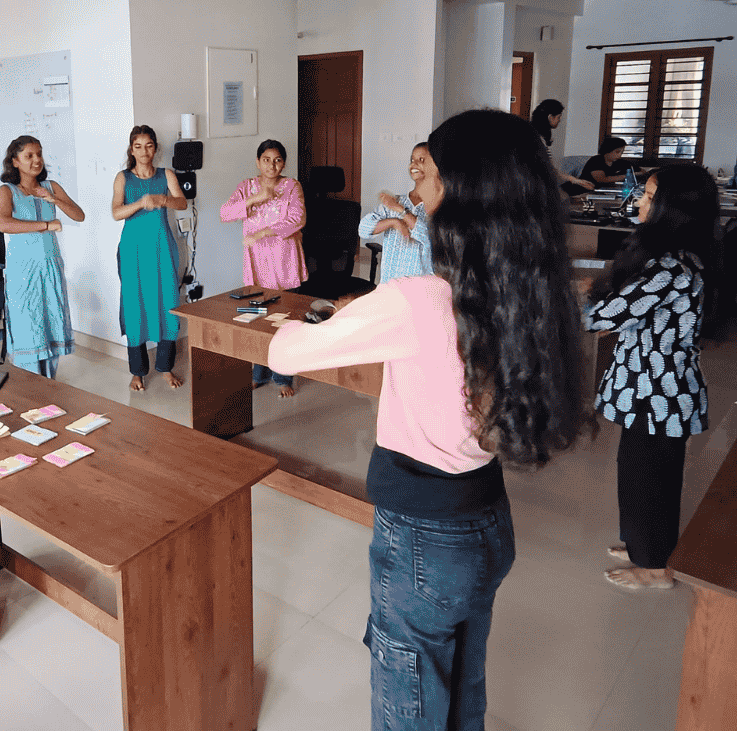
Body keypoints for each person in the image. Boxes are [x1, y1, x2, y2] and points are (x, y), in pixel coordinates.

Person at [268, 109, 589, 731]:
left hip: (423, 539)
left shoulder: (418, 299)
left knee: (408, 702)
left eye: (429, 176)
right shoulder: (527, 289)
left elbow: (286, 352)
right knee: (463, 687)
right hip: (488, 522)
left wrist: (301, 320)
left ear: (459, 194)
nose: (418, 189)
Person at [584, 164, 720, 591]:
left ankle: (655, 567)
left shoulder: (671, 267)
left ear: (672, 209)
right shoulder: (670, 259)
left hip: (658, 389)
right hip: (646, 383)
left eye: (648, 196)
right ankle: (642, 544)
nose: (640, 202)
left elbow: (602, 316)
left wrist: (582, 301)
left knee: (650, 478)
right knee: (637, 468)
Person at [220, 139, 307, 398]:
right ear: (258, 162)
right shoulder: (247, 187)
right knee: (257, 319)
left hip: (284, 259)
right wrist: (256, 198)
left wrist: (262, 233)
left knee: (284, 321)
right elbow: (225, 213)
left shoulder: (292, 186)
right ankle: (258, 373)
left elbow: (297, 220)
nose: (272, 165)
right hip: (257, 263)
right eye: (267, 159)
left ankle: (283, 377)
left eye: (278, 160)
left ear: (284, 163)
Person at [0, 135, 86, 379]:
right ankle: (32, 388)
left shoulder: (51, 187)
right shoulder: (7, 191)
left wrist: (53, 200)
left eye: (39, 154)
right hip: (23, 271)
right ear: (15, 162)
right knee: (29, 328)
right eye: (29, 156)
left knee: (51, 325)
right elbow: (3, 223)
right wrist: (46, 225)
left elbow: (79, 215)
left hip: (50, 266)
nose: (37, 160)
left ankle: (49, 384)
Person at [111, 125, 188, 391]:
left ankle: (166, 368)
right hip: (133, 250)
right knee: (135, 306)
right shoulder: (123, 178)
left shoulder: (166, 174)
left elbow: (182, 203)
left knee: (167, 302)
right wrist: (141, 203)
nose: (144, 151)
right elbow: (116, 212)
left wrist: (161, 199)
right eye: (138, 146)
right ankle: (138, 372)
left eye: (149, 145)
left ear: (155, 148)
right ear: (131, 149)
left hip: (161, 247)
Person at [359, 142, 442, 283]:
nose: (414, 164)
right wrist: (393, 222)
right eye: (412, 160)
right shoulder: (396, 201)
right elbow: (363, 230)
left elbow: (428, 237)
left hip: (421, 290)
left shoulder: (438, 206)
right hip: (391, 287)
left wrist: (401, 211)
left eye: (421, 160)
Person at [531, 99, 595, 194]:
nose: (559, 120)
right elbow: (542, 168)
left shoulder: (538, 136)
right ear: (550, 117)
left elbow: (548, 167)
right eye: (559, 117)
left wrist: (575, 180)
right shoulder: (536, 138)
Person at [579, 136, 643, 190]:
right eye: (617, 152)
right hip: (584, 191)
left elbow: (641, 171)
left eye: (622, 152)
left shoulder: (620, 162)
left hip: (605, 191)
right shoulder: (596, 160)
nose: (620, 155)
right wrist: (627, 176)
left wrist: (638, 173)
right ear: (608, 150)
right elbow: (602, 179)